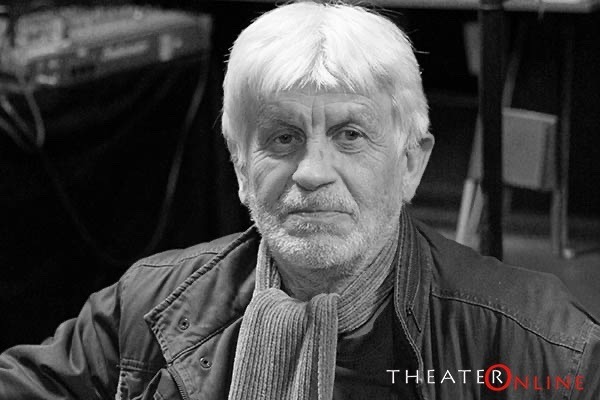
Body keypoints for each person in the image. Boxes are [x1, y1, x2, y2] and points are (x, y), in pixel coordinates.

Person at [1, 2, 599, 399]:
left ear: (411, 163)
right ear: (240, 167)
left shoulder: (542, 350)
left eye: (350, 135)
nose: (312, 172)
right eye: (283, 138)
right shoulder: (145, 310)